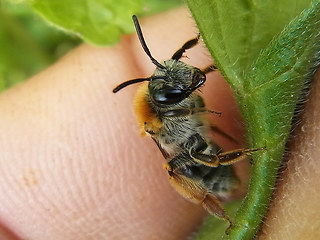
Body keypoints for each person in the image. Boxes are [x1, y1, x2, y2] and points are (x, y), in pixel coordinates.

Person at [0, 7, 319, 240]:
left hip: (205, 140)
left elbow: (192, 104)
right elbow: (194, 133)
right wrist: (257, 151)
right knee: (195, 159)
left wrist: (199, 52)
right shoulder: (160, 123)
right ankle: (222, 213)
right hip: (197, 165)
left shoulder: (171, 100)